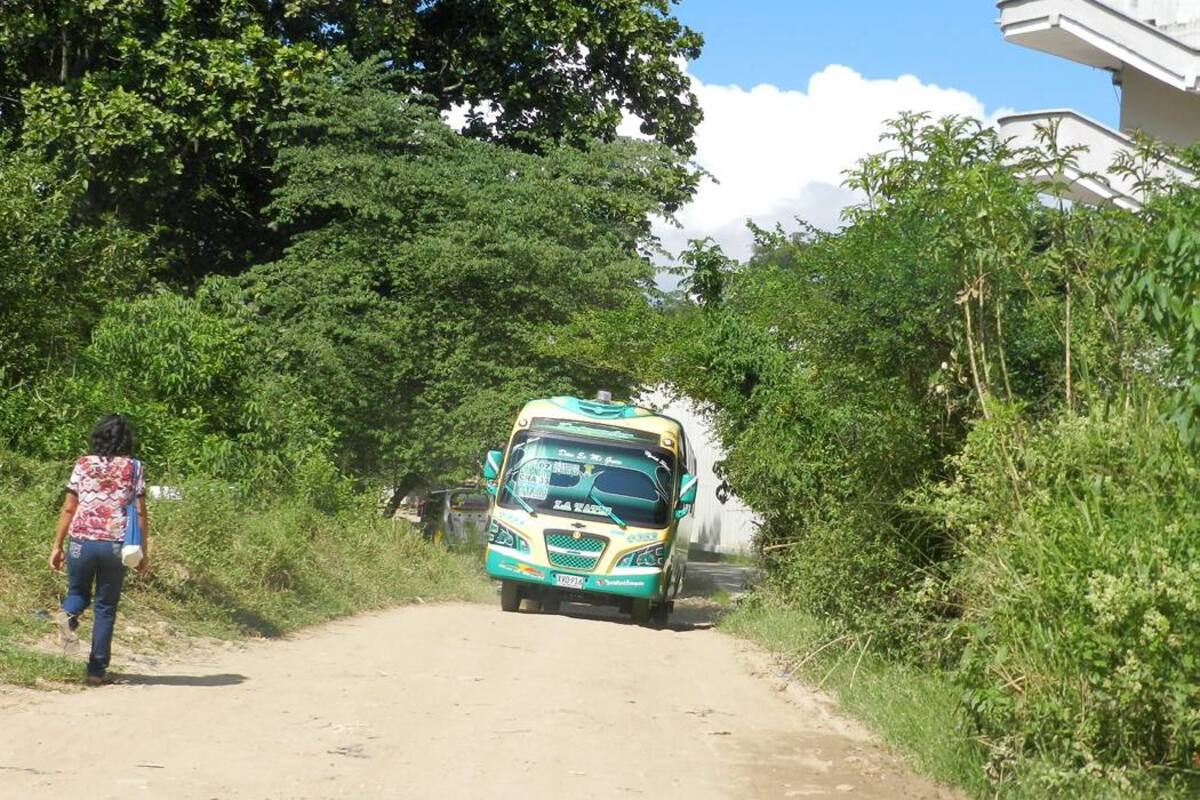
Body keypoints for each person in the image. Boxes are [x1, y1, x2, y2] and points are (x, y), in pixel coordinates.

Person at [48, 414, 149, 686]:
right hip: (115, 544)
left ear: (98, 436)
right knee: (105, 606)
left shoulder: (83, 464)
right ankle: (95, 671)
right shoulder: (134, 467)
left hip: (81, 542)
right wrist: (143, 550)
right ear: (126, 440)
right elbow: (140, 512)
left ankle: (68, 616)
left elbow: (69, 507)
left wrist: (57, 545)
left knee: (77, 593)